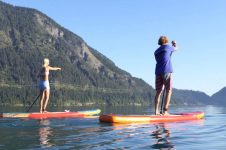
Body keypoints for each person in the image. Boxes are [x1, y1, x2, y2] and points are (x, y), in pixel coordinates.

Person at [154, 36, 177, 115]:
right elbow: (176, 48)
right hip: (167, 71)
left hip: (158, 72)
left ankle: (156, 111)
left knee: (158, 92)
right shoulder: (168, 46)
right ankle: (165, 111)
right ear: (166, 41)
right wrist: (174, 43)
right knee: (168, 91)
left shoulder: (156, 51)